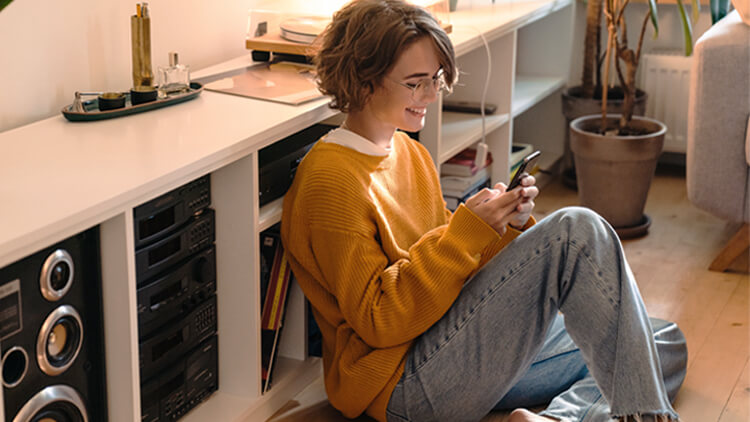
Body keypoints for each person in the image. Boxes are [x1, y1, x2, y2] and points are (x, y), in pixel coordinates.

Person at [280, 1, 688, 421]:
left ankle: (557, 420)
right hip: (403, 383)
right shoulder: (331, 181)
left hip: (452, 344)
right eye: (416, 83)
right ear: (363, 80)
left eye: (435, 79)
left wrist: (503, 227)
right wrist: (465, 233)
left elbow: (451, 279)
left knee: (659, 339)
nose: (432, 95)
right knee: (575, 230)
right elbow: (379, 322)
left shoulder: (409, 153)